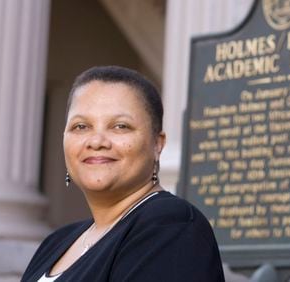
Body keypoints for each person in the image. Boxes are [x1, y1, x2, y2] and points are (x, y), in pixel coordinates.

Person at [21, 66, 225, 282]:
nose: (97, 141)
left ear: (157, 144)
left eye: (120, 126)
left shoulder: (171, 226)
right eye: (81, 126)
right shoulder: (56, 242)